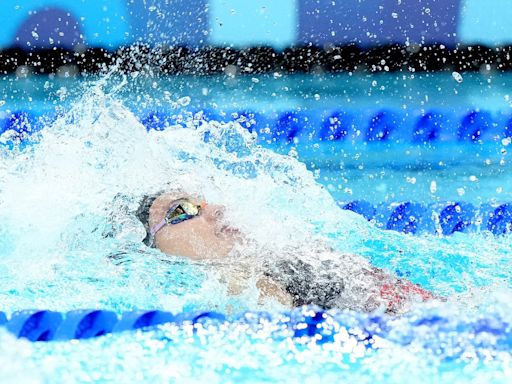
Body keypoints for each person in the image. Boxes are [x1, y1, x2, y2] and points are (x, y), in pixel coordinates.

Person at [135, 190, 435, 314]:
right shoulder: (234, 276)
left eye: (207, 201)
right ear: (151, 248)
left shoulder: (261, 266)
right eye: (183, 209)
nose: (217, 210)